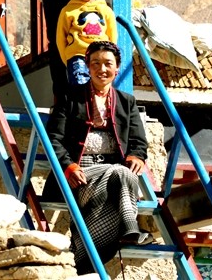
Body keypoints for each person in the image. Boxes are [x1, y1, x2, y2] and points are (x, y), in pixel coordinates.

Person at [45, 41, 152, 275]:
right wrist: (68, 167)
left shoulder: (126, 102)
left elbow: (139, 142)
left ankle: (84, 260)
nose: (101, 69)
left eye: (107, 64)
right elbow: (53, 140)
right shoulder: (69, 97)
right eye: (95, 63)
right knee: (120, 173)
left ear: (117, 68)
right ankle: (129, 228)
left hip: (113, 177)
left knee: (120, 173)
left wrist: (137, 156)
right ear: (87, 66)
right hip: (78, 175)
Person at [56, 0, 117, 85]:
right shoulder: (68, 11)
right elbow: (60, 37)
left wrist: (111, 55)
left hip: (100, 56)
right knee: (80, 86)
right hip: (77, 56)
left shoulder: (105, 10)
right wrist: (67, 59)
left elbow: (112, 35)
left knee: (99, 86)